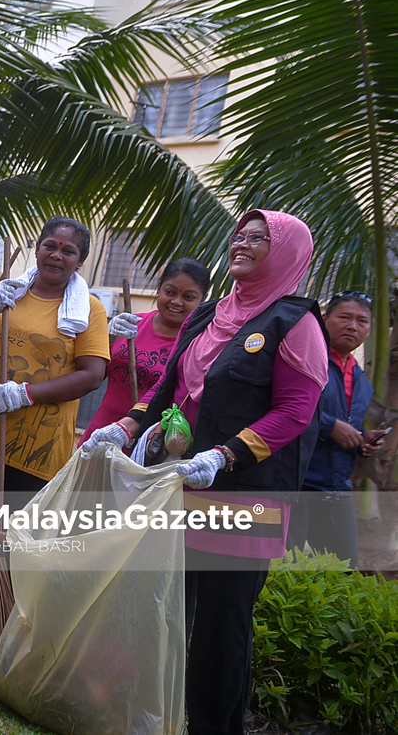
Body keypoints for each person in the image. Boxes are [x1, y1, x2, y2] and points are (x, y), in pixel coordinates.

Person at [83, 210, 329, 735]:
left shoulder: (297, 323)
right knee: (163, 603)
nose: (242, 242)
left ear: (285, 251)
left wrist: (225, 455)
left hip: (247, 496)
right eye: (239, 234)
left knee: (222, 622)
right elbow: (171, 386)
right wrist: (128, 426)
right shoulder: (211, 313)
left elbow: (295, 412)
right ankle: (146, 716)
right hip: (182, 482)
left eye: (258, 237)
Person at [0, 217, 109, 618]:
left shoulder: (87, 309)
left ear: (81, 260)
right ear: (37, 249)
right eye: (50, 246)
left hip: (36, 445)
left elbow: (92, 375)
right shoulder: (8, 292)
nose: (57, 255)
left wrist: (26, 393)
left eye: (68, 250)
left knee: (13, 536)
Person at [290, 291, 384, 567]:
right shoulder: (304, 360)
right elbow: (284, 408)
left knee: (344, 570)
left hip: (337, 488)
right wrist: (330, 426)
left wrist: (363, 440)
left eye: (362, 321)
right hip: (298, 484)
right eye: (344, 317)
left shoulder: (361, 378)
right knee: (285, 568)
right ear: (325, 318)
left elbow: (350, 425)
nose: (352, 326)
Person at [80, 258, 210, 442]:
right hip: (100, 434)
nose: (176, 301)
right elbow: (94, 374)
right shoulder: (131, 325)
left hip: (146, 446)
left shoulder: (200, 345)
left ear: (202, 300)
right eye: (170, 292)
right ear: (159, 289)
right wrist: (106, 337)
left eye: (188, 297)